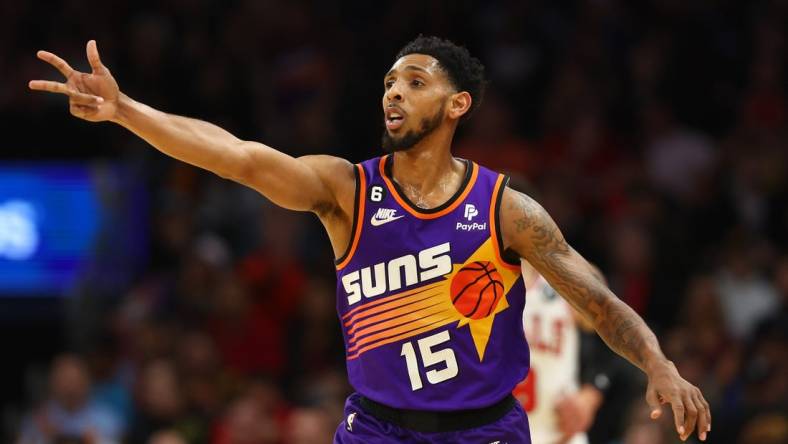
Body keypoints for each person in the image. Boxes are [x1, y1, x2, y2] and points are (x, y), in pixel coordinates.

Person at [29, 35, 711, 443]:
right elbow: (235, 156)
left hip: (488, 429)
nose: (393, 93)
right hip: (377, 429)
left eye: (414, 82)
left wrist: (658, 363)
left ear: (456, 105)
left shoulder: (505, 210)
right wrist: (127, 112)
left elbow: (596, 301)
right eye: (388, 82)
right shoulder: (346, 191)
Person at [514, 260, 605, 444]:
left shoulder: (565, 273)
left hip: (561, 436)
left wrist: (590, 395)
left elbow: (615, 338)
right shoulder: (478, 279)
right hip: (501, 434)